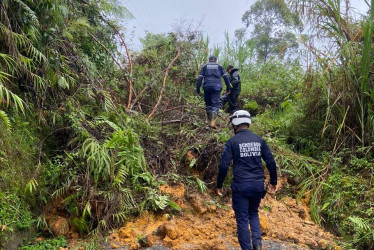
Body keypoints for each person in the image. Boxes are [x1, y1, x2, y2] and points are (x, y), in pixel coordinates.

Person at [216, 110, 277, 250]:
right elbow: (270, 162)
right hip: (257, 185)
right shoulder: (259, 140)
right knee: (253, 213)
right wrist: (273, 181)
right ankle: (257, 245)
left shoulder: (232, 142)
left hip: (241, 186)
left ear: (234, 124)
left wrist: (219, 184)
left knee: (242, 219)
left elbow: (224, 165)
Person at [196, 56, 230, 128]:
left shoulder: (205, 66)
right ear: (215, 61)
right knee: (215, 104)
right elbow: (226, 78)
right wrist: (228, 88)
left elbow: (199, 78)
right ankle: (212, 121)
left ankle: (210, 121)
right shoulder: (220, 66)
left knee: (208, 104)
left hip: (207, 87)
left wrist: (198, 90)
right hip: (217, 87)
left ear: (209, 60)